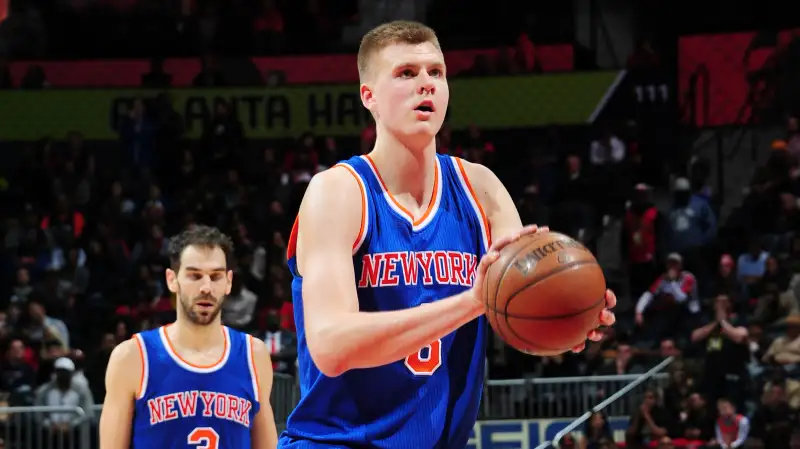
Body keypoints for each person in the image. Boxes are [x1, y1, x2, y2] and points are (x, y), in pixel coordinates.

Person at [279, 20, 616, 449]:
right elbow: (331, 347)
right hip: (337, 443)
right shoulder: (338, 192)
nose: (426, 85)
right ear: (369, 97)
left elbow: (518, 305)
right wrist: (474, 300)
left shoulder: (482, 188)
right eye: (406, 73)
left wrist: (573, 313)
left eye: (435, 72)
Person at [99, 225, 278, 449]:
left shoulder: (254, 355)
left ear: (228, 282)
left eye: (215, 276)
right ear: (172, 280)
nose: (206, 287)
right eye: (194, 275)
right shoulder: (132, 357)